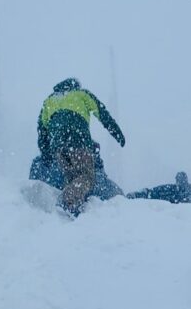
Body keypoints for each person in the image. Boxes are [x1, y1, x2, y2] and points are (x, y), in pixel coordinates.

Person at [29, 78, 125, 215]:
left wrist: (46, 155)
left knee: (72, 178)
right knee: (86, 177)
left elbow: (42, 131)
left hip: (58, 148)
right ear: (75, 86)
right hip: (78, 143)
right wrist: (118, 134)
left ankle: (72, 212)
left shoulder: (49, 101)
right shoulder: (82, 94)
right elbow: (103, 114)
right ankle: (65, 203)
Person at [126, 171, 191, 205]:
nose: (179, 182)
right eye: (178, 180)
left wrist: (137, 195)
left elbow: (152, 193)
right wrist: (137, 195)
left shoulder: (172, 190)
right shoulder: (171, 190)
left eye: (181, 180)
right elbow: (153, 193)